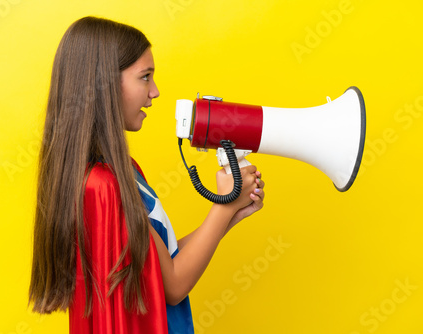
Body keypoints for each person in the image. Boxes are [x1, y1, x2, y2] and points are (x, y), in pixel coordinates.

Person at [28, 16, 265, 334]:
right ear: (105, 83)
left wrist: (232, 212)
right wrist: (222, 208)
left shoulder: (123, 170)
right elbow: (174, 285)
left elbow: (160, 265)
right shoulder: (103, 186)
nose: (155, 91)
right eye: (145, 77)